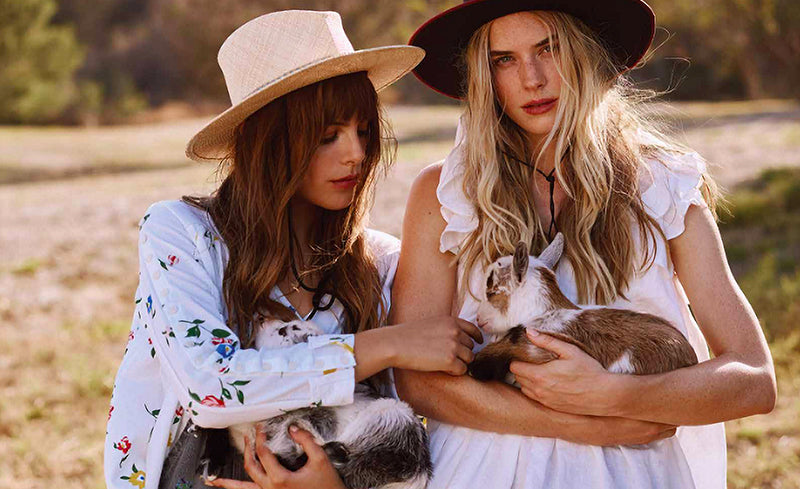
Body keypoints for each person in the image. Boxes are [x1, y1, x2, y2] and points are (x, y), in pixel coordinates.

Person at [392, 1, 777, 488]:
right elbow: (416, 380)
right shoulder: (445, 193)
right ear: (483, 76)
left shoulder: (663, 184)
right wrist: (577, 423)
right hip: (481, 469)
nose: (531, 79)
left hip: (629, 470)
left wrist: (614, 396)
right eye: (503, 59)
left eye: (549, 49)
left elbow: (753, 380)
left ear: (586, 52)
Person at [104, 10, 482, 489]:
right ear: (267, 142)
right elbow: (212, 386)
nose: (356, 154)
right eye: (328, 136)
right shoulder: (182, 233)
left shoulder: (379, 263)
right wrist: (388, 345)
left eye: (364, 131)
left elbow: (395, 446)